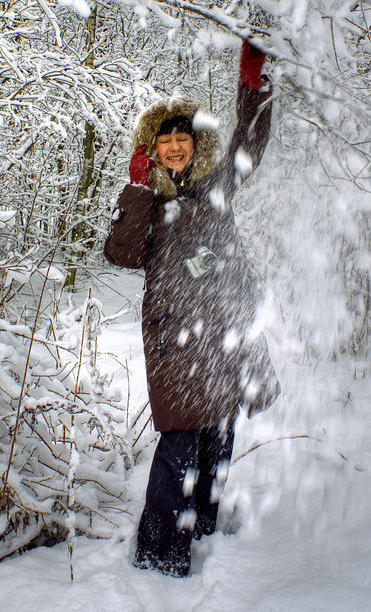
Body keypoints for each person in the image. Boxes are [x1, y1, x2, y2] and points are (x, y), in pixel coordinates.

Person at [104, 39, 279, 577]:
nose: (175, 147)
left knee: (218, 435)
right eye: (166, 140)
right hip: (175, 340)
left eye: (183, 137)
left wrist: (253, 88)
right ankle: (160, 554)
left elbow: (250, 144)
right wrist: (135, 189)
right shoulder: (148, 203)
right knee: (179, 441)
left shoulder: (215, 187)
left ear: (195, 144)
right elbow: (123, 253)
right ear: (152, 150)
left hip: (225, 330)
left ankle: (205, 527)